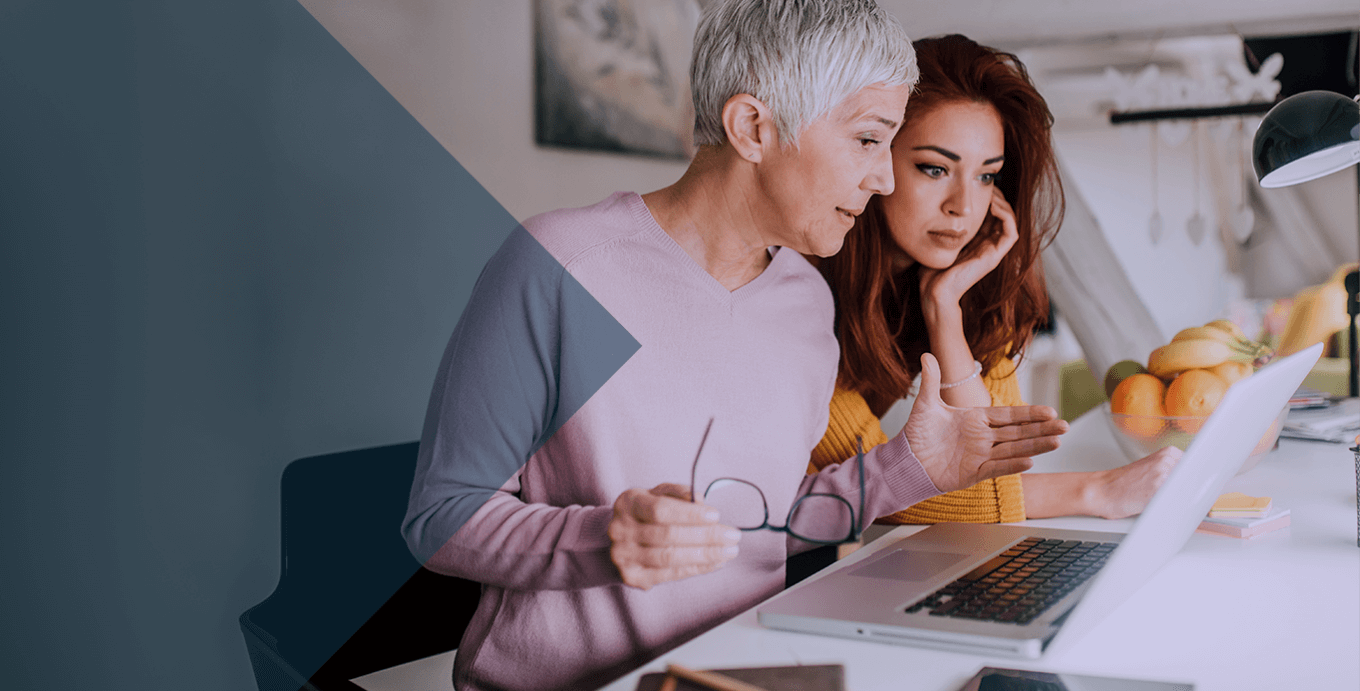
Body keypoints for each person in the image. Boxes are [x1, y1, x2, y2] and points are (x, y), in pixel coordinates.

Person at [402, 8, 1068, 691]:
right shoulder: (563, 267)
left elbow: (766, 523)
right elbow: (440, 519)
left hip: (740, 674)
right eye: (868, 140)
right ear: (753, 127)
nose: (885, 180)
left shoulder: (807, 303)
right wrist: (607, 539)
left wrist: (910, 466)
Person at [810, 35, 1178, 524]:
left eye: (986, 176)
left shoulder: (956, 284)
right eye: (935, 168)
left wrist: (945, 309)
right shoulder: (801, 286)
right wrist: (1095, 491)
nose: (962, 206)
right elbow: (873, 484)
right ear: (875, 159)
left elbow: (989, 470)